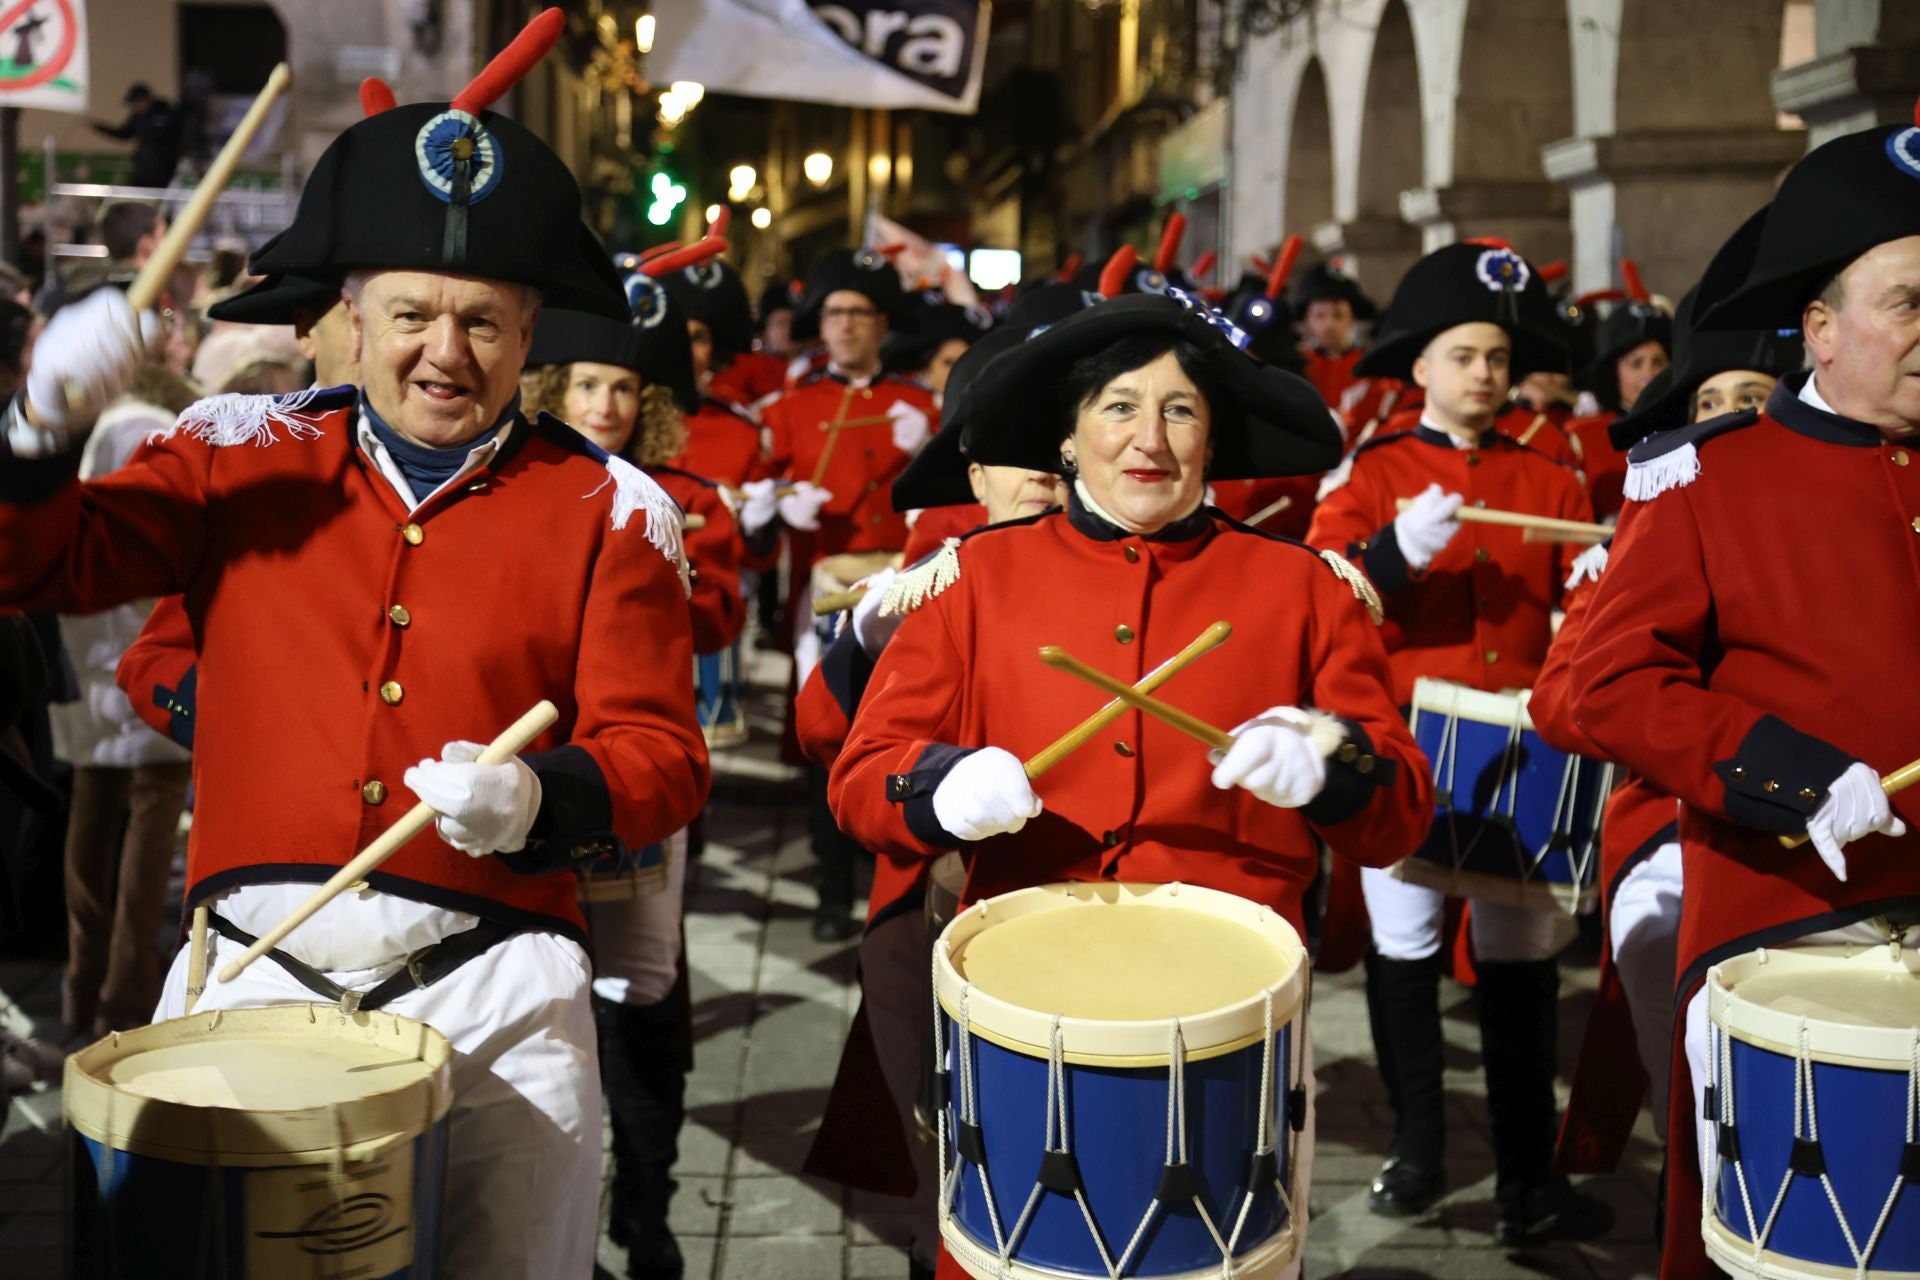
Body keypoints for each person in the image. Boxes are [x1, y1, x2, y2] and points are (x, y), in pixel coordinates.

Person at [0, 13, 708, 1277]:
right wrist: (36, 433)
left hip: (498, 979)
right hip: (254, 963)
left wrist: (542, 795)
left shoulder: (613, 508)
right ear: (352, 310)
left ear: (533, 328)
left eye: (485, 322)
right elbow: (38, 562)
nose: (448, 351)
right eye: (413, 315)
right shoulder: (234, 451)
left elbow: (660, 754)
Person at [826, 292, 1431, 1280]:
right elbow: (862, 773)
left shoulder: (1304, 586)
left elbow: (1402, 807)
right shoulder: (971, 578)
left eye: (1181, 409)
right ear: (1066, 439)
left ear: (1214, 437)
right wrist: (940, 786)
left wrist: (1329, 762)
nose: (1149, 437)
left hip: (1236, 1007)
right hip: (1026, 1000)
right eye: (1117, 406)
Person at [1567, 114, 1920, 1280]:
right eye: (1910, 302)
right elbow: (1595, 686)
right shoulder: (1705, 479)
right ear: (1819, 329)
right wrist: (1789, 771)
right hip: (1792, 927)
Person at [1306, 241, 1610, 1243]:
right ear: (1421, 367)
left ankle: (1530, 1175)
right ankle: (1418, 1144)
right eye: (1463, 354)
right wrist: (1391, 553)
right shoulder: (1378, 467)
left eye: (1495, 356)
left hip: (1526, 745)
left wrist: (1595, 587)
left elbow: (1581, 606)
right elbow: (1318, 591)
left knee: (1523, 963)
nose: (1484, 373)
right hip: (1413, 742)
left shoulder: (1550, 473)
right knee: (1407, 949)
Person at [1532, 218, 1801, 1181]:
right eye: (1713, 399)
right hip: (1679, 827)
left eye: (1756, 399)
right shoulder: (1650, 522)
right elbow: (1565, 701)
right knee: (1682, 1032)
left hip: (1849, 835)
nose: (1732, 419)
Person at [522, 248, 744, 1280]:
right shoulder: (517, 483)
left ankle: (647, 1204)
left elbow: (722, 615)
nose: (607, 402)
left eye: (624, 385)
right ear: (555, 386)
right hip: (525, 773)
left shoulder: (685, 493)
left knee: (645, 989)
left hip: (640, 765)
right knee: (542, 989)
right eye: (589, 383)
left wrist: (670, 579)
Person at [749, 247, 936, 940]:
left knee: (906, 731)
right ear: (818, 323)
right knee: (826, 736)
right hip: (822, 597)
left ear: (883, 322)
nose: (847, 326)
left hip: (905, 593)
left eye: (861, 313)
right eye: (835, 313)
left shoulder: (921, 405)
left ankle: (890, 875)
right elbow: (755, 504)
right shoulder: (789, 408)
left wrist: (927, 451)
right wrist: (774, 505)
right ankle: (831, 890)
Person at [48, 348, 200, 1038]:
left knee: (93, 818)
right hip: (140, 645)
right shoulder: (154, 428)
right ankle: (125, 999)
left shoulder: (86, 429)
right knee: (146, 833)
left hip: (89, 648)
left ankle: (83, 994)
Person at [1563, 276, 1672, 518]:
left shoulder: (1687, 430)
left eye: (1659, 362)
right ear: (1613, 373)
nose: (1649, 375)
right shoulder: (1585, 437)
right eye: (1636, 364)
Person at [1294, 259, 1375, 411]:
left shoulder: (1369, 367)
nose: (1329, 324)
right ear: (1307, 319)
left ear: (1352, 318)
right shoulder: (1295, 364)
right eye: (1320, 316)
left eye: (1338, 315)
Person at [93, 83, 182, 189]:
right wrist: (98, 126)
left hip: (165, 169)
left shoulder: (168, 113)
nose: (136, 107)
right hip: (142, 169)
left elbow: (181, 137)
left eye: (137, 102)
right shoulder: (138, 116)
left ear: (146, 99)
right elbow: (124, 134)